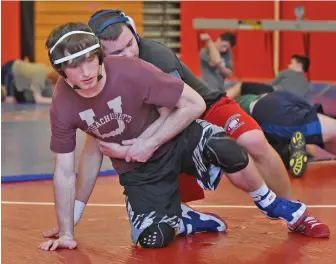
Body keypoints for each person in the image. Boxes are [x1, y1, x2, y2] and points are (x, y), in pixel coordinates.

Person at [43, 10, 330, 241]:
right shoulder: (85, 87)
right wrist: (71, 219)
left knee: (248, 143)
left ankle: (287, 208)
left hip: (197, 107)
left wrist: (142, 144)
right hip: (159, 127)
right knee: (159, 205)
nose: (127, 53)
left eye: (130, 44)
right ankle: (180, 216)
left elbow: (181, 109)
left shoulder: (149, 59)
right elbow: (91, 149)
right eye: (116, 52)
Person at [234, 91, 336, 177]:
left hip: (267, 111)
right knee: (324, 134)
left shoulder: (232, 111)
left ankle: (288, 153)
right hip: (282, 97)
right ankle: (289, 153)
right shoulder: (245, 96)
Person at [226, 54, 311, 101]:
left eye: (291, 63)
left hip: (273, 94)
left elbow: (271, 85)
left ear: (299, 65)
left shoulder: (287, 72)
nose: (289, 65)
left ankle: (217, 102)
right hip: (289, 103)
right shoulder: (307, 86)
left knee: (241, 86)